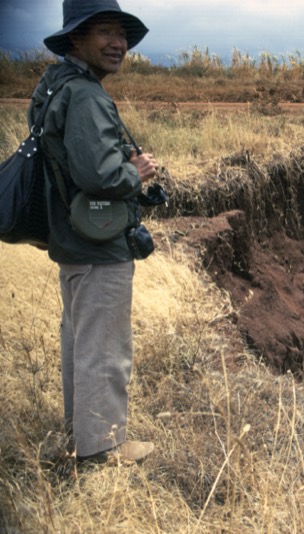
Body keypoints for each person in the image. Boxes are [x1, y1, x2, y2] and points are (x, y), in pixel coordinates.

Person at [29, 0, 158, 463]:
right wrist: (135, 171)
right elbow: (97, 174)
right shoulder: (86, 96)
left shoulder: (56, 83)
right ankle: (103, 450)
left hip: (72, 237)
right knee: (105, 347)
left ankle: (82, 433)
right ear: (77, 38)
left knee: (81, 340)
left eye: (121, 34)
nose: (118, 43)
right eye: (104, 31)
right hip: (98, 243)